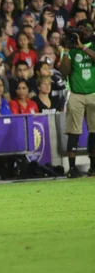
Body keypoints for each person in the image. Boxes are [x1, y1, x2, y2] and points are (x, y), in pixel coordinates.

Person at [59, 26, 95, 177]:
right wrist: (66, 50)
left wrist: (83, 48)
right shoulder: (70, 49)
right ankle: (72, 168)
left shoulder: (93, 45)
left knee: (94, 131)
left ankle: (93, 167)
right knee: (73, 131)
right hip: (76, 93)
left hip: (93, 92)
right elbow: (64, 71)